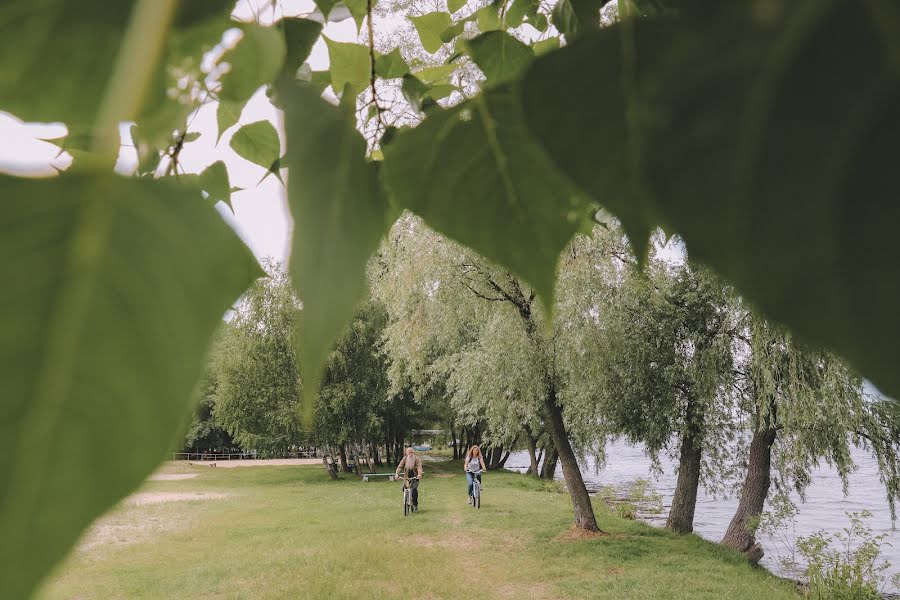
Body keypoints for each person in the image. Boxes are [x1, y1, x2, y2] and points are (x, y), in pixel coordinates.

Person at [395, 447, 423, 511]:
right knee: (403, 488)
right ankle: (406, 501)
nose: (410, 453)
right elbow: (400, 466)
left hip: (415, 477)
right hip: (406, 477)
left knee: (414, 489)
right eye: (409, 452)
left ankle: (415, 505)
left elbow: (419, 467)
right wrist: (397, 473)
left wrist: (419, 474)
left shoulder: (417, 459)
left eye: (412, 452)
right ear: (406, 453)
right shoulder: (405, 458)